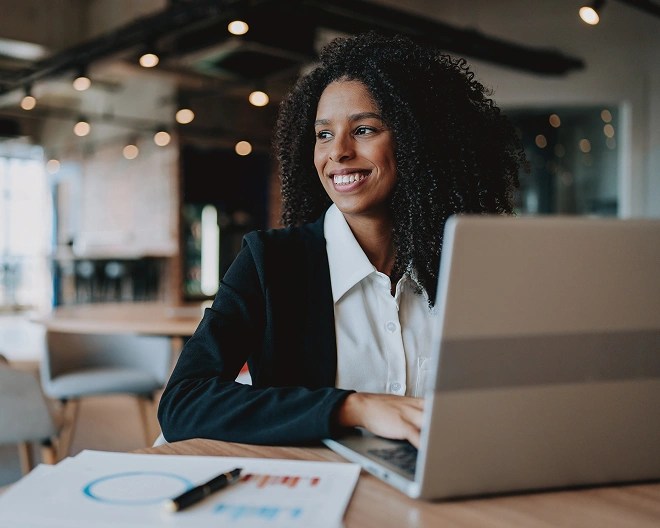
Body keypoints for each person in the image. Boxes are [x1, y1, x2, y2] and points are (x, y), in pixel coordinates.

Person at [158, 31, 525, 449]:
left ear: (417, 140)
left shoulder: (466, 267)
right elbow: (182, 404)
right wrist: (355, 407)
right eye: (324, 134)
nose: (339, 152)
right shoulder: (272, 262)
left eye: (364, 129)